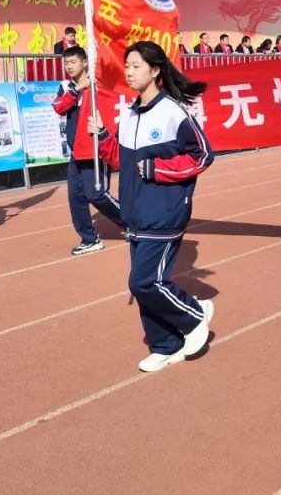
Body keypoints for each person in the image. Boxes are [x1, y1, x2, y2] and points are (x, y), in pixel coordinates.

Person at [90, 41, 215, 373]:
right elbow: (122, 162)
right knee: (144, 284)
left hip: (165, 211)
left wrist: (159, 169)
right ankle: (164, 343)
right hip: (135, 212)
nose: (128, 71)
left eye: (135, 65)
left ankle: (194, 314)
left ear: (155, 70)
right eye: (127, 65)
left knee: (144, 282)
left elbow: (203, 155)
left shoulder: (173, 112)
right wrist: (103, 137)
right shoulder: (129, 114)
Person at [52, 45, 124, 256]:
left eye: (73, 62)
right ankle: (89, 239)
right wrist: (76, 89)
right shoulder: (66, 86)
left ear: (84, 62)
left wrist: (88, 85)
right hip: (76, 151)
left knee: (97, 194)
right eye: (66, 63)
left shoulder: (98, 83)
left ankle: (133, 223)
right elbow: (58, 107)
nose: (69, 66)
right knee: (76, 197)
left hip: (94, 148)